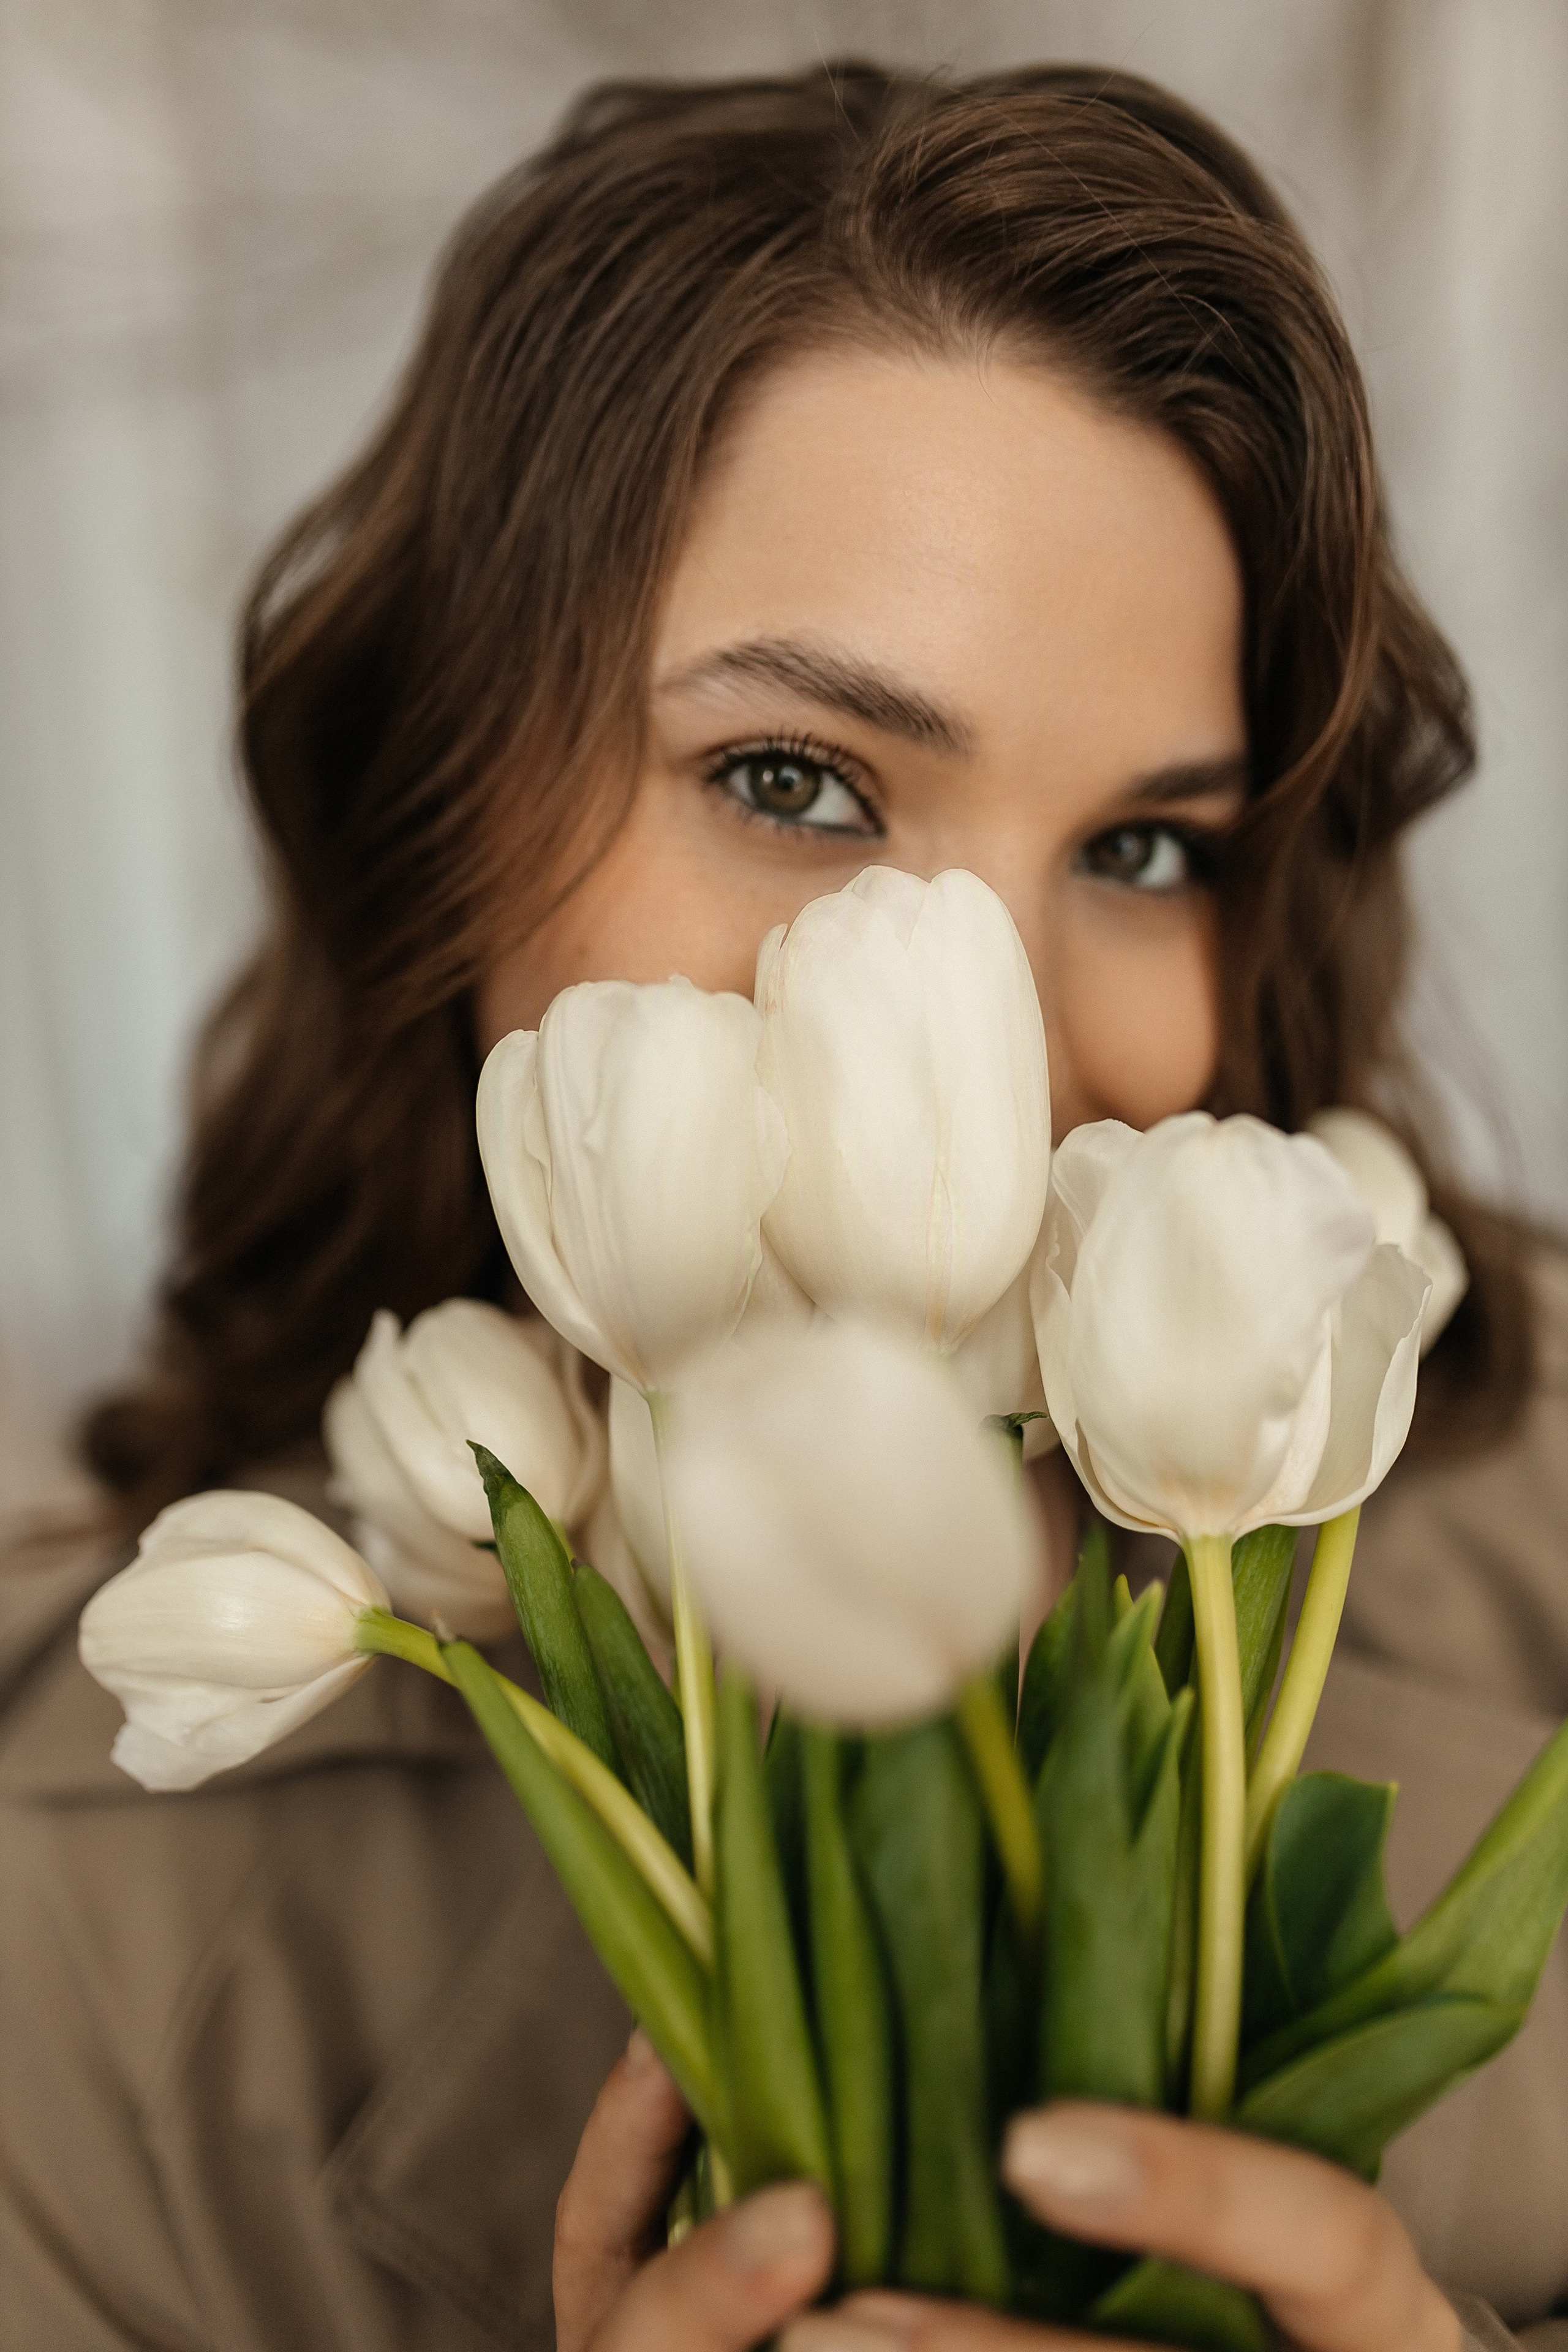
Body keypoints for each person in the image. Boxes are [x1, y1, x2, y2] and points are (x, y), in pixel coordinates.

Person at [2, 59, 1563, 2352]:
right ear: (445, 821)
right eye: (797, 782)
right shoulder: (78, 1973)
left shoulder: (1524, 1553)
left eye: (1147, 852)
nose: (998, 1037)